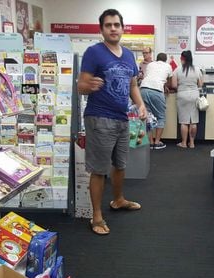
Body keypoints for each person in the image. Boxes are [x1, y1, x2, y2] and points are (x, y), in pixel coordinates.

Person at [77, 9, 147, 235]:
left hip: (122, 117)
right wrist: (90, 86)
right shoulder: (94, 52)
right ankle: (96, 217)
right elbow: (80, 85)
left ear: (122, 28)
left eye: (116, 24)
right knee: (99, 170)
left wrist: (140, 104)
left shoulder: (128, 55)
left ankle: (118, 200)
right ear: (102, 30)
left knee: (120, 164)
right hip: (99, 117)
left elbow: (133, 84)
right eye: (108, 25)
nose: (113, 28)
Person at [140, 52, 173, 149]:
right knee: (160, 117)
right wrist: (166, 86)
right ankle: (157, 142)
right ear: (165, 60)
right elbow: (170, 82)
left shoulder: (150, 64)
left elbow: (148, 76)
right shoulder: (168, 66)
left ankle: (150, 142)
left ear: (156, 58)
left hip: (144, 89)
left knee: (148, 116)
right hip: (157, 91)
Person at [171, 50, 203, 149]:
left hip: (182, 95)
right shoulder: (197, 69)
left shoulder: (177, 70)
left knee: (184, 121)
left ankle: (184, 143)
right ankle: (192, 143)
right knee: (193, 120)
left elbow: (174, 85)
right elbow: (200, 84)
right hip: (194, 94)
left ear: (182, 58)